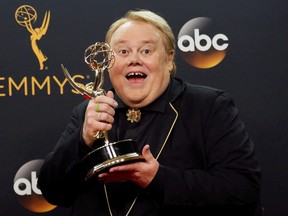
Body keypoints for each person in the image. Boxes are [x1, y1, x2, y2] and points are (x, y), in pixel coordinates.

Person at [38, 9, 262, 216]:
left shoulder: (208, 107)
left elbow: (242, 190)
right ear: (107, 62)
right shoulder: (88, 114)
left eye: (146, 50)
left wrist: (156, 179)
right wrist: (82, 139)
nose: (134, 59)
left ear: (169, 58)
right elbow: (53, 192)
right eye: (123, 51)